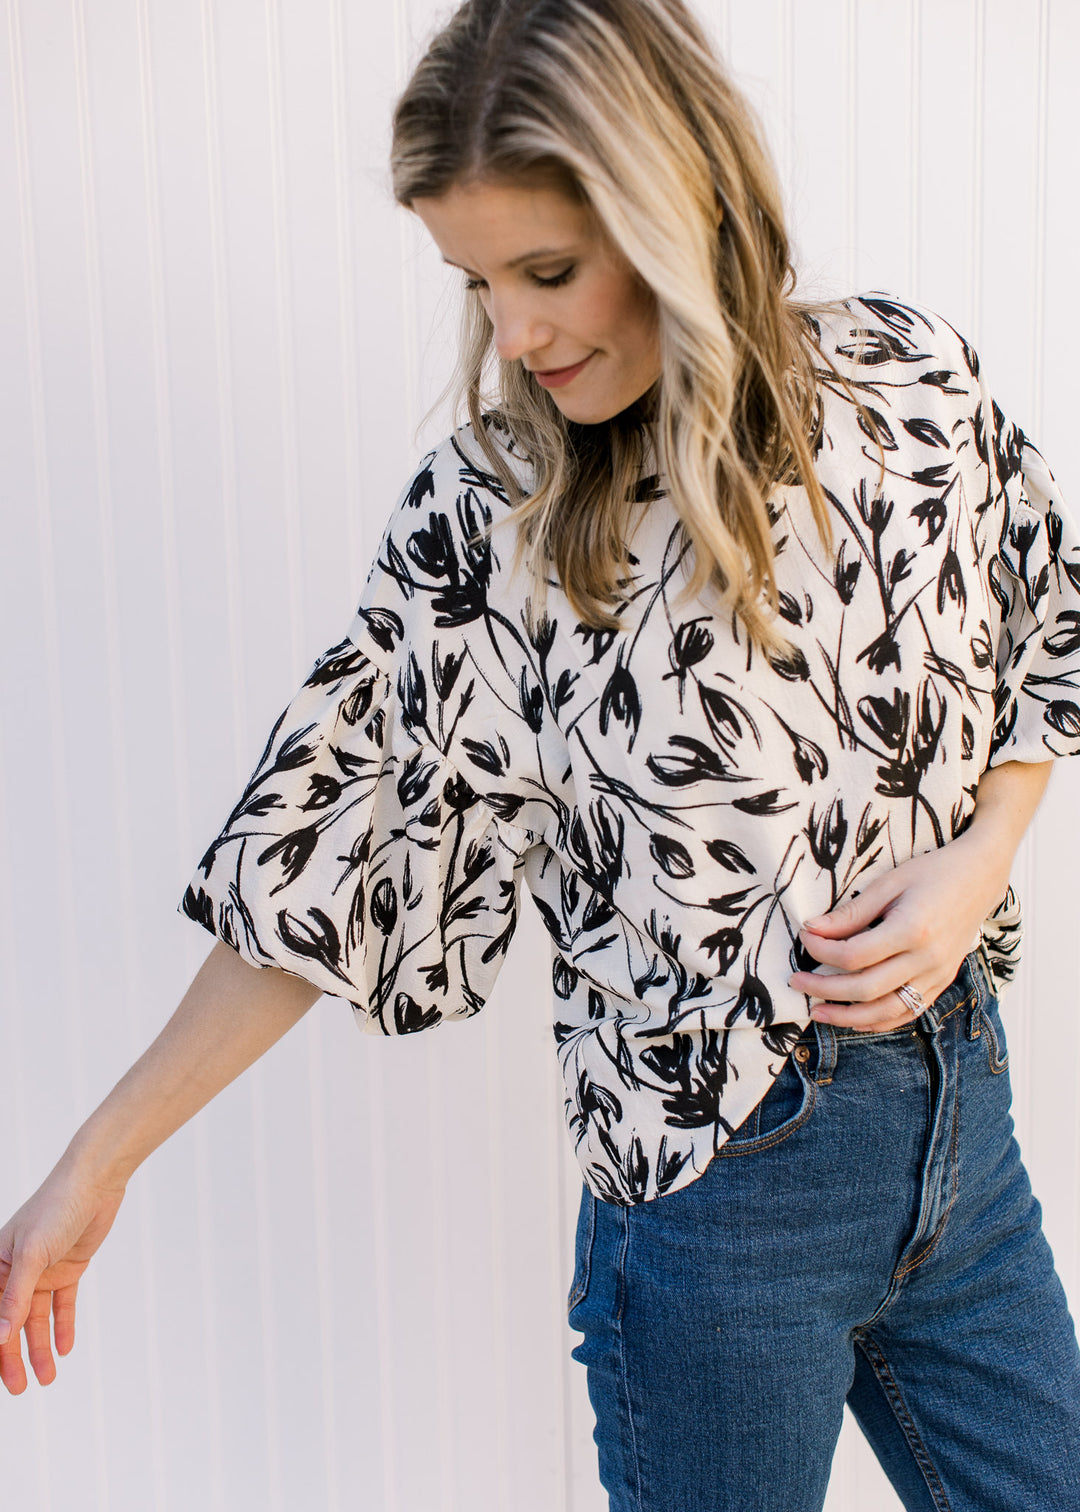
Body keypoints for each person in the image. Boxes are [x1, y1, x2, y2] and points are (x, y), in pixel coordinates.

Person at [2, 0, 1079, 1506]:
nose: (512, 335)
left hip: (966, 1137)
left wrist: (985, 856)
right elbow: (321, 871)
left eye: (548, 271)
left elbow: (1040, 621)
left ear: (683, 209)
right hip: (722, 1201)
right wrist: (95, 1162)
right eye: (478, 281)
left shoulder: (912, 383)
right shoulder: (492, 518)